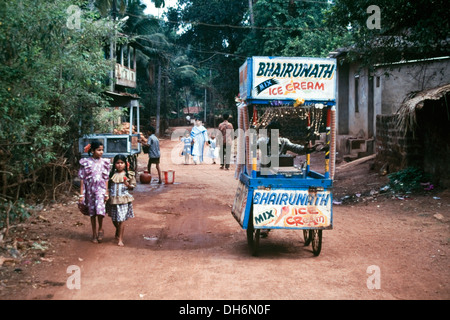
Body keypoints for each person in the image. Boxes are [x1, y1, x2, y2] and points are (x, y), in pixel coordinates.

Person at [78, 140, 111, 243]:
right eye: (98, 150)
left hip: (100, 190)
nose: (101, 152)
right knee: (92, 212)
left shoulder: (104, 162)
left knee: (100, 210)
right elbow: (82, 179)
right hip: (90, 191)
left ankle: (100, 228)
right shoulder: (86, 162)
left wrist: (106, 192)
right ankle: (94, 233)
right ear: (92, 151)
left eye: (102, 150)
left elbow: (106, 178)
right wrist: (81, 194)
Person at [107, 154, 136, 247]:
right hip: (113, 199)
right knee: (114, 218)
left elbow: (132, 187)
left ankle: (120, 239)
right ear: (114, 164)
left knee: (122, 218)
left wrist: (127, 185)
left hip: (123, 200)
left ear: (125, 164)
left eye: (122, 163)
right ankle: (118, 229)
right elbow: (108, 186)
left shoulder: (128, 175)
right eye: (117, 163)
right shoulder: (112, 175)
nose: (120, 165)